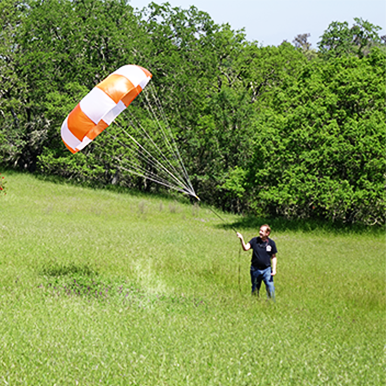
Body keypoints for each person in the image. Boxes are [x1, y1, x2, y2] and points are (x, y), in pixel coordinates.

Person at [237, 224, 277, 299]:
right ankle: (255, 302)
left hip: (267, 270)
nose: (260, 232)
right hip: (255, 269)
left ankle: (271, 303)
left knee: (270, 287)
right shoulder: (254, 240)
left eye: (262, 231)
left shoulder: (271, 243)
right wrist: (241, 239)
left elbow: (274, 257)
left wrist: (274, 269)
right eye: (260, 230)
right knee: (255, 288)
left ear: (267, 233)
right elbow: (245, 248)